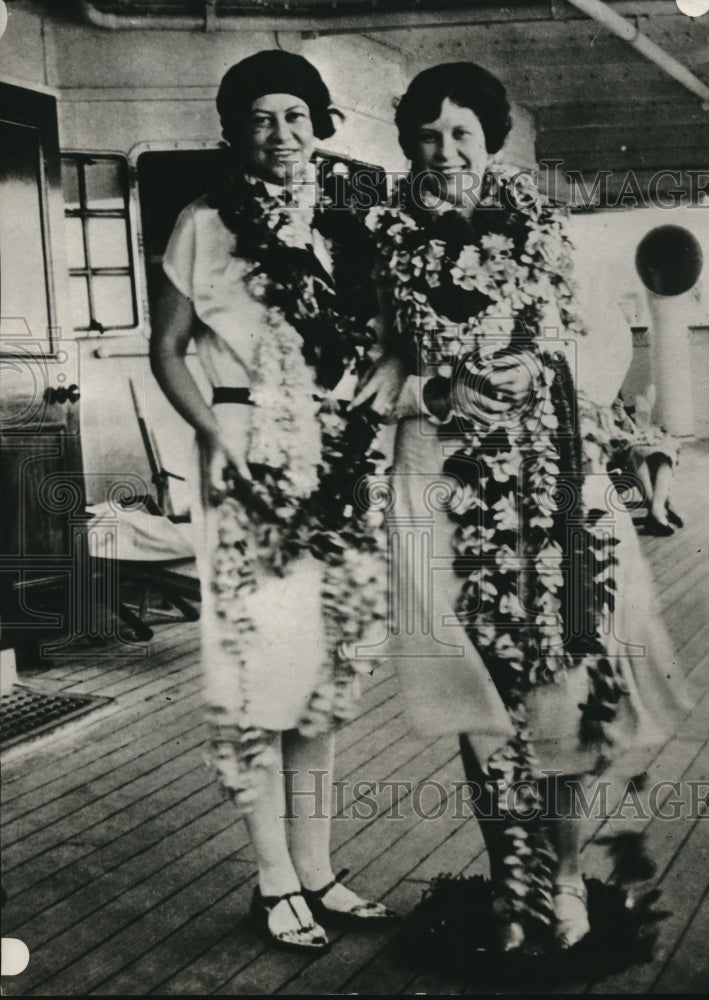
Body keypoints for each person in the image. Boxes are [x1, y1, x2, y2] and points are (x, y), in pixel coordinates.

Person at [353, 62, 691, 955]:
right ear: (409, 146)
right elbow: (372, 371)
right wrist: (436, 391)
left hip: (549, 479)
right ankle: (512, 884)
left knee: (560, 684)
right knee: (480, 696)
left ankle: (566, 879)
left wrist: (544, 375)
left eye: (461, 133)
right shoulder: (384, 242)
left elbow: (596, 348)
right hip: (440, 480)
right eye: (428, 136)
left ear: (490, 141)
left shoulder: (545, 231)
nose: (445, 151)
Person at [150, 49, 394, 954]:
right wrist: (213, 436)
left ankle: (317, 870)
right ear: (234, 132)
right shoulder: (204, 222)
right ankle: (272, 880)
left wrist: (370, 404)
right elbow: (167, 348)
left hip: (336, 460)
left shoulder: (349, 225)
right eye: (260, 118)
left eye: (295, 115)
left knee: (322, 678)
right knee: (261, 676)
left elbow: (386, 341)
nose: (280, 133)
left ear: (318, 125)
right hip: (247, 456)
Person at [611, 387, 683, 536]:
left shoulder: (615, 396)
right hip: (613, 452)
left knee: (666, 451)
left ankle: (656, 509)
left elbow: (632, 430)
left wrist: (623, 417)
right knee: (638, 452)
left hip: (629, 444)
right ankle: (659, 509)